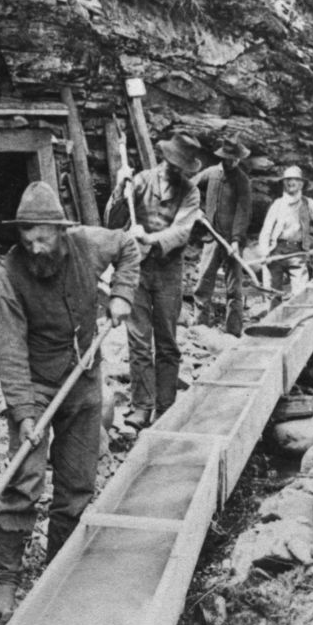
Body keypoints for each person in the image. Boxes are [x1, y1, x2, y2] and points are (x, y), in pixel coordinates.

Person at [0, 181, 140, 617]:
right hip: (35, 383)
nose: (34, 247)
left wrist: (121, 295)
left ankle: (58, 570)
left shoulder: (87, 245)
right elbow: (10, 354)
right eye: (26, 238)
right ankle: (7, 578)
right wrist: (23, 414)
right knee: (24, 479)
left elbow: (128, 245)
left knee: (76, 484)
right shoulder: (9, 277)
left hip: (84, 378)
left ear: (59, 231)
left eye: (42, 237)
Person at [106, 132, 201, 430]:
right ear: (165, 159)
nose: (176, 170)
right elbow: (112, 219)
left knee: (168, 342)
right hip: (136, 269)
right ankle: (141, 407)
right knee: (138, 340)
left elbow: (182, 232)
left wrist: (150, 238)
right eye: (173, 163)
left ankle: (166, 407)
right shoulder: (142, 181)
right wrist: (121, 190)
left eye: (182, 167)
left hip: (169, 272)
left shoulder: (190, 192)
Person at [192, 138, 252, 336]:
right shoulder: (211, 174)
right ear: (224, 157)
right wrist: (196, 209)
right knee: (203, 284)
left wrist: (235, 240)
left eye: (236, 159)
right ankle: (201, 327)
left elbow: (243, 212)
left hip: (232, 242)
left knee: (234, 289)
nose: (233, 162)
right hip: (211, 239)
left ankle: (233, 331)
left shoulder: (242, 180)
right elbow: (190, 186)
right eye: (230, 159)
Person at [257, 166, 313, 309]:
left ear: (301, 183)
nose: (291, 183)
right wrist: (264, 253)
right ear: (284, 183)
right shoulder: (278, 204)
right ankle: (272, 324)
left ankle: (296, 326)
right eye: (288, 180)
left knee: (300, 293)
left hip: (297, 253)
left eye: (295, 180)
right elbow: (266, 231)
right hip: (276, 252)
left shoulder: (308, 203)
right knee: (272, 294)